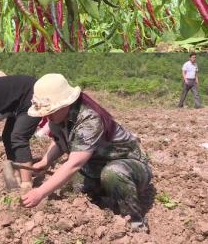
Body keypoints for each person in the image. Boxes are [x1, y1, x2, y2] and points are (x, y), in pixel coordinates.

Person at [21, 74, 152, 232]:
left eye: (50, 110)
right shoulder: (57, 118)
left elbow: (74, 164)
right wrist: (44, 162)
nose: (46, 115)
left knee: (112, 173)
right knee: (68, 187)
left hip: (130, 167)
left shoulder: (89, 119)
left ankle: (136, 223)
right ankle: (102, 205)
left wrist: (40, 192)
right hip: (96, 166)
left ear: (64, 104)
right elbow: (59, 142)